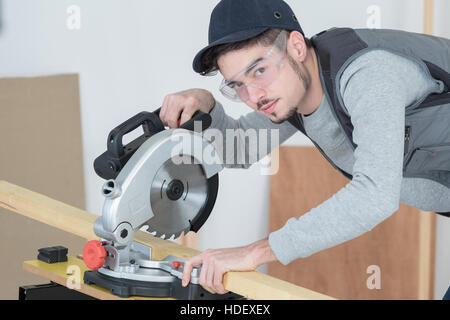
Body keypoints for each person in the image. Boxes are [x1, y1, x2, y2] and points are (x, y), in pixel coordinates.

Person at [158, 0, 450, 296]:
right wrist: (206, 107)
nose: (253, 96)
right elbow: (240, 148)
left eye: (258, 70)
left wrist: (255, 252)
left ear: (296, 46)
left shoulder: (366, 74)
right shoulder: (292, 90)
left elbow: (375, 194)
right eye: (237, 85)